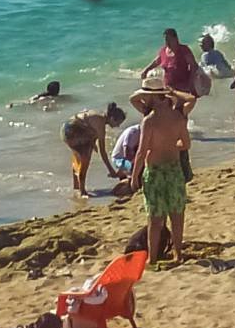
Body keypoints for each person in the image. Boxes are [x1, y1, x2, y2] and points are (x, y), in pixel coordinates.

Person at [135, 88, 193, 262]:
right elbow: (186, 144)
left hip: (155, 171)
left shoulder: (150, 121)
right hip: (174, 169)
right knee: (177, 215)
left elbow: (142, 151)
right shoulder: (178, 117)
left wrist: (134, 176)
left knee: (155, 219)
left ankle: (152, 258)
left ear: (153, 96)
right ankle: (178, 254)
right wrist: (170, 146)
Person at [62, 103, 125, 195]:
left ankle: (76, 186)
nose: (118, 126)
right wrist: (111, 170)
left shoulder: (99, 116)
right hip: (72, 131)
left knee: (79, 157)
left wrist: (92, 143)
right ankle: (82, 191)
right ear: (112, 119)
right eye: (118, 123)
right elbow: (103, 152)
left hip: (67, 128)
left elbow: (90, 128)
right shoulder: (101, 123)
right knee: (85, 161)